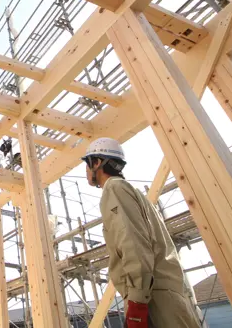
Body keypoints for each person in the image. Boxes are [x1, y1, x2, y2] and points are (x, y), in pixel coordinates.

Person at [81, 137, 201, 328]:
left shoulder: (115, 189)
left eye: (87, 165)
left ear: (97, 163)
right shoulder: (131, 191)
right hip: (162, 293)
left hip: (154, 297)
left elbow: (133, 242)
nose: (86, 171)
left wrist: (137, 301)